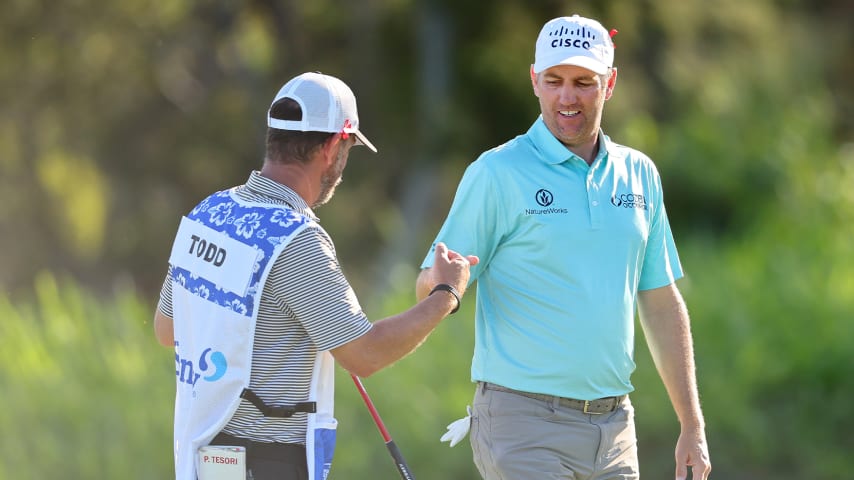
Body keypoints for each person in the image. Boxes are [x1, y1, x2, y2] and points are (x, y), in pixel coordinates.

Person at [416, 14, 711, 480]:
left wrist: (692, 423)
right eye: (553, 81)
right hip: (522, 425)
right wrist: (440, 284)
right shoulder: (497, 173)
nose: (566, 97)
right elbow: (428, 284)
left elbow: (659, 299)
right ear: (534, 81)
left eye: (583, 82)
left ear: (609, 83)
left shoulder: (639, 175)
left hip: (614, 429)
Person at [153, 71, 479, 480]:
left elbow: (167, 329)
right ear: (331, 147)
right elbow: (365, 354)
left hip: (204, 456)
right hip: (267, 462)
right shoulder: (297, 239)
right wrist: (446, 292)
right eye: (347, 149)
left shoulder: (210, 212)